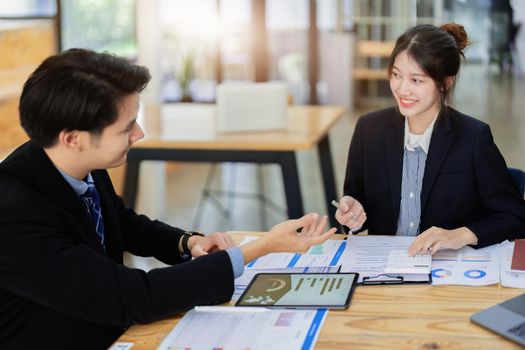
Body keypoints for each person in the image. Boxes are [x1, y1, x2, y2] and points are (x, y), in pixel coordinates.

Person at [0, 48, 336, 349]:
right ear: (73, 138)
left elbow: (123, 222)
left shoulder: (73, 159)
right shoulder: (12, 214)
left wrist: (187, 243)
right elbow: (133, 296)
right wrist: (259, 248)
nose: (139, 134)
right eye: (127, 127)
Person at [335, 23, 525, 255]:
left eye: (416, 80)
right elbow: (356, 205)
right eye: (396, 75)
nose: (402, 89)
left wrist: (459, 235)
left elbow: (514, 216)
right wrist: (352, 214)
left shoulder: (473, 138)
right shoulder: (368, 130)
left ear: (446, 82)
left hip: (447, 274)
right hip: (385, 272)